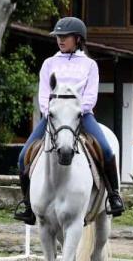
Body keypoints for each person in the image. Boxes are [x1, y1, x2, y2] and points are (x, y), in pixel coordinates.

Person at [13, 17, 125, 224]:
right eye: (58, 36)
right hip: (54, 118)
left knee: (107, 151)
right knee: (22, 157)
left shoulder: (90, 65)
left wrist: (74, 111)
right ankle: (28, 204)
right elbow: (43, 95)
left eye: (64, 37)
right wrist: (52, 112)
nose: (60, 40)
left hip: (82, 116)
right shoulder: (49, 63)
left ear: (78, 39)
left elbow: (90, 96)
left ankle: (113, 196)